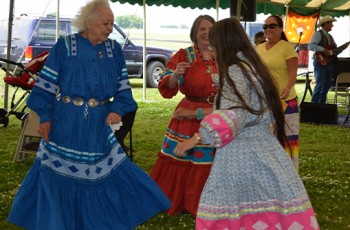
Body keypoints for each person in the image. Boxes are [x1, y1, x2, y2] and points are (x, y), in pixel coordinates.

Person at [7, 0, 171, 229]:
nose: (110, 28)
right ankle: (57, 222)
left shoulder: (114, 50)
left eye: (112, 24)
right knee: (57, 176)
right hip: (65, 122)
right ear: (89, 22)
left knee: (99, 175)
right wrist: (44, 118)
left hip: (97, 125)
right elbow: (44, 87)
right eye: (106, 23)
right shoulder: (64, 46)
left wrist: (116, 110)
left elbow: (124, 90)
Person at [174, 17, 319, 230]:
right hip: (264, 148)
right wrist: (196, 113)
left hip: (243, 152)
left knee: (230, 209)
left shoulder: (236, 71)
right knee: (265, 212)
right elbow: (244, 108)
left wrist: (196, 138)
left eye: (213, 43)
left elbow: (234, 114)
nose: (211, 48)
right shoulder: (251, 66)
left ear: (223, 43)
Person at [150, 15, 217, 216]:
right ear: (194, 33)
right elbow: (166, 87)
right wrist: (176, 75)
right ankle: (180, 200)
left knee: (212, 160)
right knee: (184, 157)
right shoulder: (183, 55)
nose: (206, 33)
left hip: (219, 113)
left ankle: (210, 201)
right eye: (201, 29)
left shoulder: (223, 54)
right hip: (188, 113)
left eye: (210, 29)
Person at [256, 15, 299, 171]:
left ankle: (290, 174)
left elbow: (293, 73)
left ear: (281, 29)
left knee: (288, 139)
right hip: (265, 100)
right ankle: (269, 172)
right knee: (266, 138)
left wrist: (287, 87)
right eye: (265, 26)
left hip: (286, 101)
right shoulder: (259, 48)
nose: (268, 29)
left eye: (272, 26)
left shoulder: (287, 47)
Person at [308, 15, 350, 104]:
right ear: (325, 24)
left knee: (327, 85)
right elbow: (311, 46)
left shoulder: (330, 36)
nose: (332, 25)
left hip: (329, 63)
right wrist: (323, 50)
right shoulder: (317, 34)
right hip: (320, 62)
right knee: (319, 85)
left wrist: (343, 48)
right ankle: (313, 107)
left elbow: (332, 52)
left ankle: (322, 105)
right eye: (331, 23)